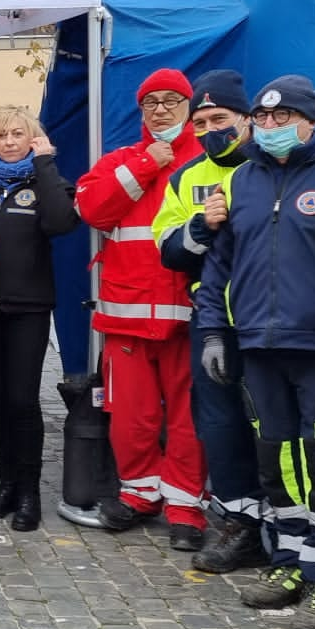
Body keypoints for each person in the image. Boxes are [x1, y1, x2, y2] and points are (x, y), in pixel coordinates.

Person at [193, 75, 315, 629]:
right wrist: (215, 332)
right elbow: (218, 268)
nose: (270, 128)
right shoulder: (242, 180)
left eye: (283, 118)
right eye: (262, 120)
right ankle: (288, 563)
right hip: (257, 346)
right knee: (278, 463)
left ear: (310, 121)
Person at [74, 69, 209, 544]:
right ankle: (139, 491)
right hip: (126, 313)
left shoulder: (210, 160)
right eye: (151, 102)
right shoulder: (121, 160)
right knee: (132, 415)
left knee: (189, 417)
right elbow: (92, 209)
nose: (161, 110)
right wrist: (146, 165)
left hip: (189, 314)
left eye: (171, 100)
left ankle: (185, 505)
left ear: (189, 106)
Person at [152, 70, 270, 572]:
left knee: (276, 426)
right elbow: (168, 248)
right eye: (199, 122)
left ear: (247, 120)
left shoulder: (275, 168)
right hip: (213, 318)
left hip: (275, 317)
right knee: (220, 425)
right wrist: (201, 226)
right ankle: (238, 526)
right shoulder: (187, 177)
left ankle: (287, 529)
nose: (209, 129)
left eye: (219, 118)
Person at [0, 105, 78, 532]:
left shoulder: (43, 181)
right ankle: (7, 483)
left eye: (19, 134)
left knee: (22, 400)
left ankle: (30, 491)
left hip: (28, 308)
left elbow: (62, 221)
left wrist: (45, 162)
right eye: (2, 135)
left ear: (32, 138)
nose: (10, 142)